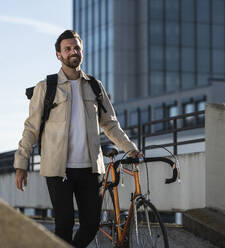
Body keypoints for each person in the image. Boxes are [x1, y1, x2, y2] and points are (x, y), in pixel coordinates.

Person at [13, 30, 141, 247]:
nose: (73, 52)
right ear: (58, 55)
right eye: (68, 49)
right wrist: (21, 164)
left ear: (82, 51)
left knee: (91, 224)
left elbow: (110, 124)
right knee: (63, 225)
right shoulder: (46, 87)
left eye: (77, 48)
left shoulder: (94, 86)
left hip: (90, 168)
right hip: (58, 169)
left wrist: (130, 148)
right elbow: (31, 128)